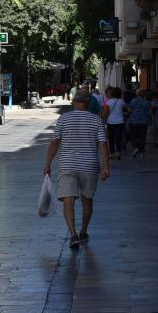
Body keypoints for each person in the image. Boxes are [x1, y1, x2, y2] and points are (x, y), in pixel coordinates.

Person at [43, 90, 110, 249]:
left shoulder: (63, 119)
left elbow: (55, 142)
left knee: (68, 200)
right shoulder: (96, 120)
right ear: (88, 104)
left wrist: (47, 164)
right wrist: (106, 167)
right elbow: (103, 144)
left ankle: (73, 234)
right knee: (87, 200)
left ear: (73, 102)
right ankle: (83, 232)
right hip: (89, 166)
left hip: (67, 165)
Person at [101, 86, 128, 160]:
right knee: (118, 138)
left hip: (111, 122)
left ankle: (112, 153)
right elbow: (128, 109)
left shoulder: (108, 102)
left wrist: (103, 119)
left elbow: (104, 114)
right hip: (120, 122)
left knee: (111, 138)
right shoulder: (121, 101)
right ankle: (118, 152)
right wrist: (124, 113)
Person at [128, 88, 151, 158]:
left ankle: (136, 148)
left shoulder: (133, 101)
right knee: (142, 137)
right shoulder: (147, 102)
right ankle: (142, 153)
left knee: (133, 137)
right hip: (143, 122)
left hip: (133, 121)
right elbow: (149, 113)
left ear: (137, 94)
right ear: (144, 94)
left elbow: (129, 110)